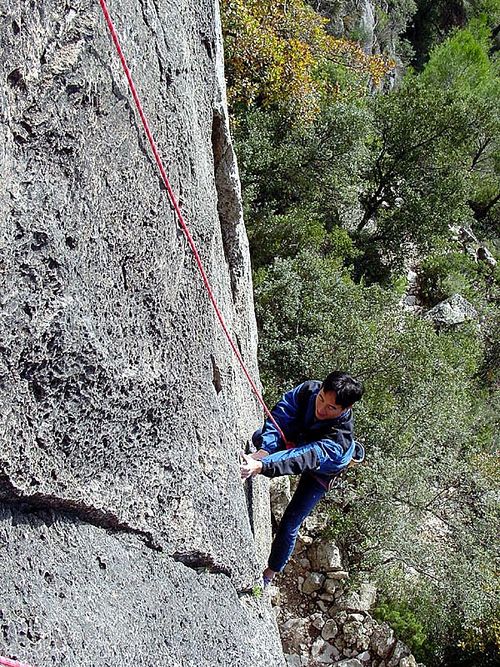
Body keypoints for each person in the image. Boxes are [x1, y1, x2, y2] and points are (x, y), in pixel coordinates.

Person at [240, 371, 364, 587]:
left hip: (324, 469)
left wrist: (262, 465)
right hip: (305, 436)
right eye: (321, 399)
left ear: (346, 408)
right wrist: (265, 450)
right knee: (260, 437)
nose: (321, 408)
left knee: (290, 523)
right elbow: (282, 414)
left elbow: (305, 457)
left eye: (331, 408)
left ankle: (269, 575)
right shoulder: (309, 389)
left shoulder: (338, 439)